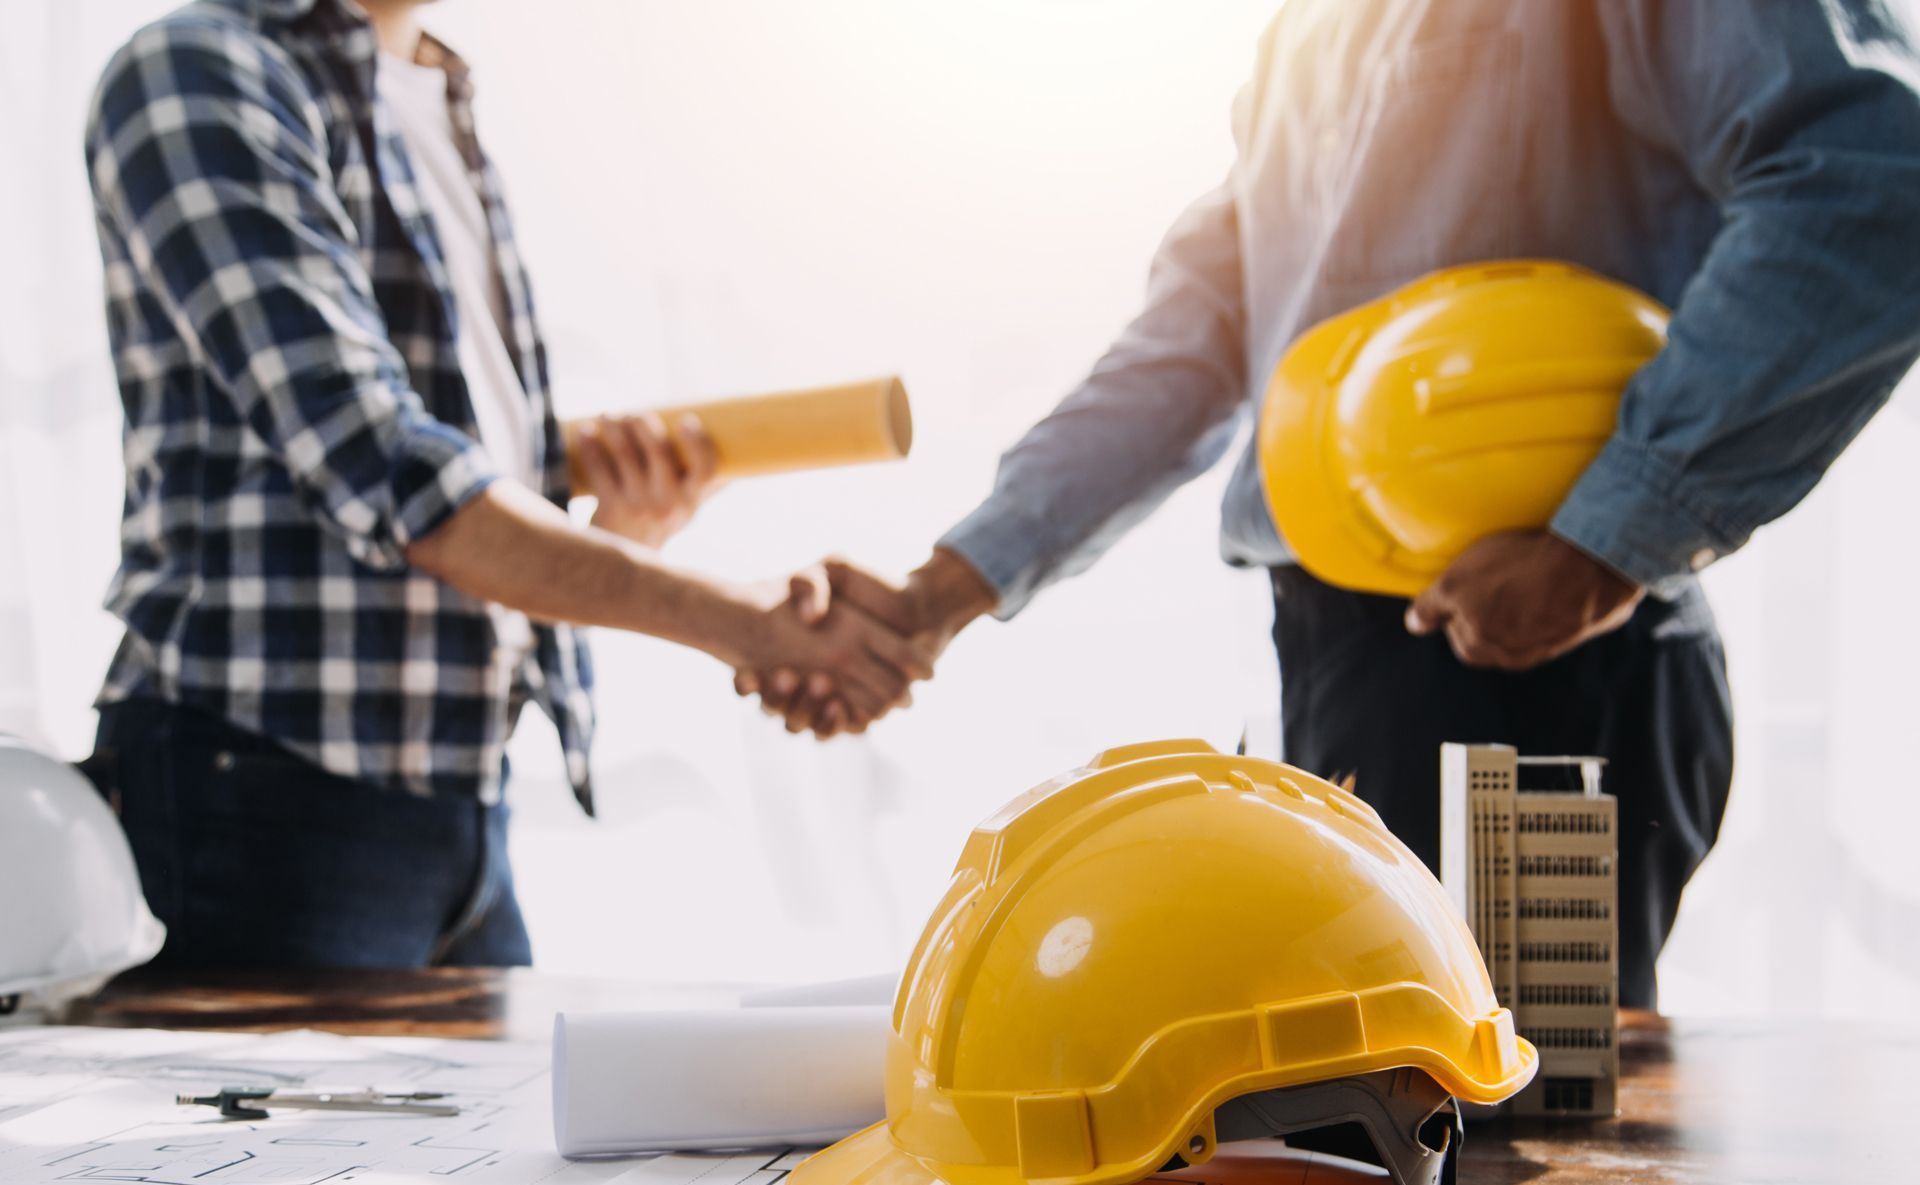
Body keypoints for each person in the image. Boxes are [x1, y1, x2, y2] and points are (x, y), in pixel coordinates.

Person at [751, 0, 1920, 1008]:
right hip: (1349, 666)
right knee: (1357, 1146)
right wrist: (937, 595)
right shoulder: (1310, 31)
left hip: (1543, 674)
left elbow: (1873, 179)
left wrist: (1603, 543)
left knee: (1515, 1171)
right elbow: (1196, 337)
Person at [80, 0, 929, 968]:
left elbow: (459, 488)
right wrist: (743, 618)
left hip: (459, 807)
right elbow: (385, 460)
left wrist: (623, 528)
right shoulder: (200, 67)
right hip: (262, 796)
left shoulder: (440, 102)